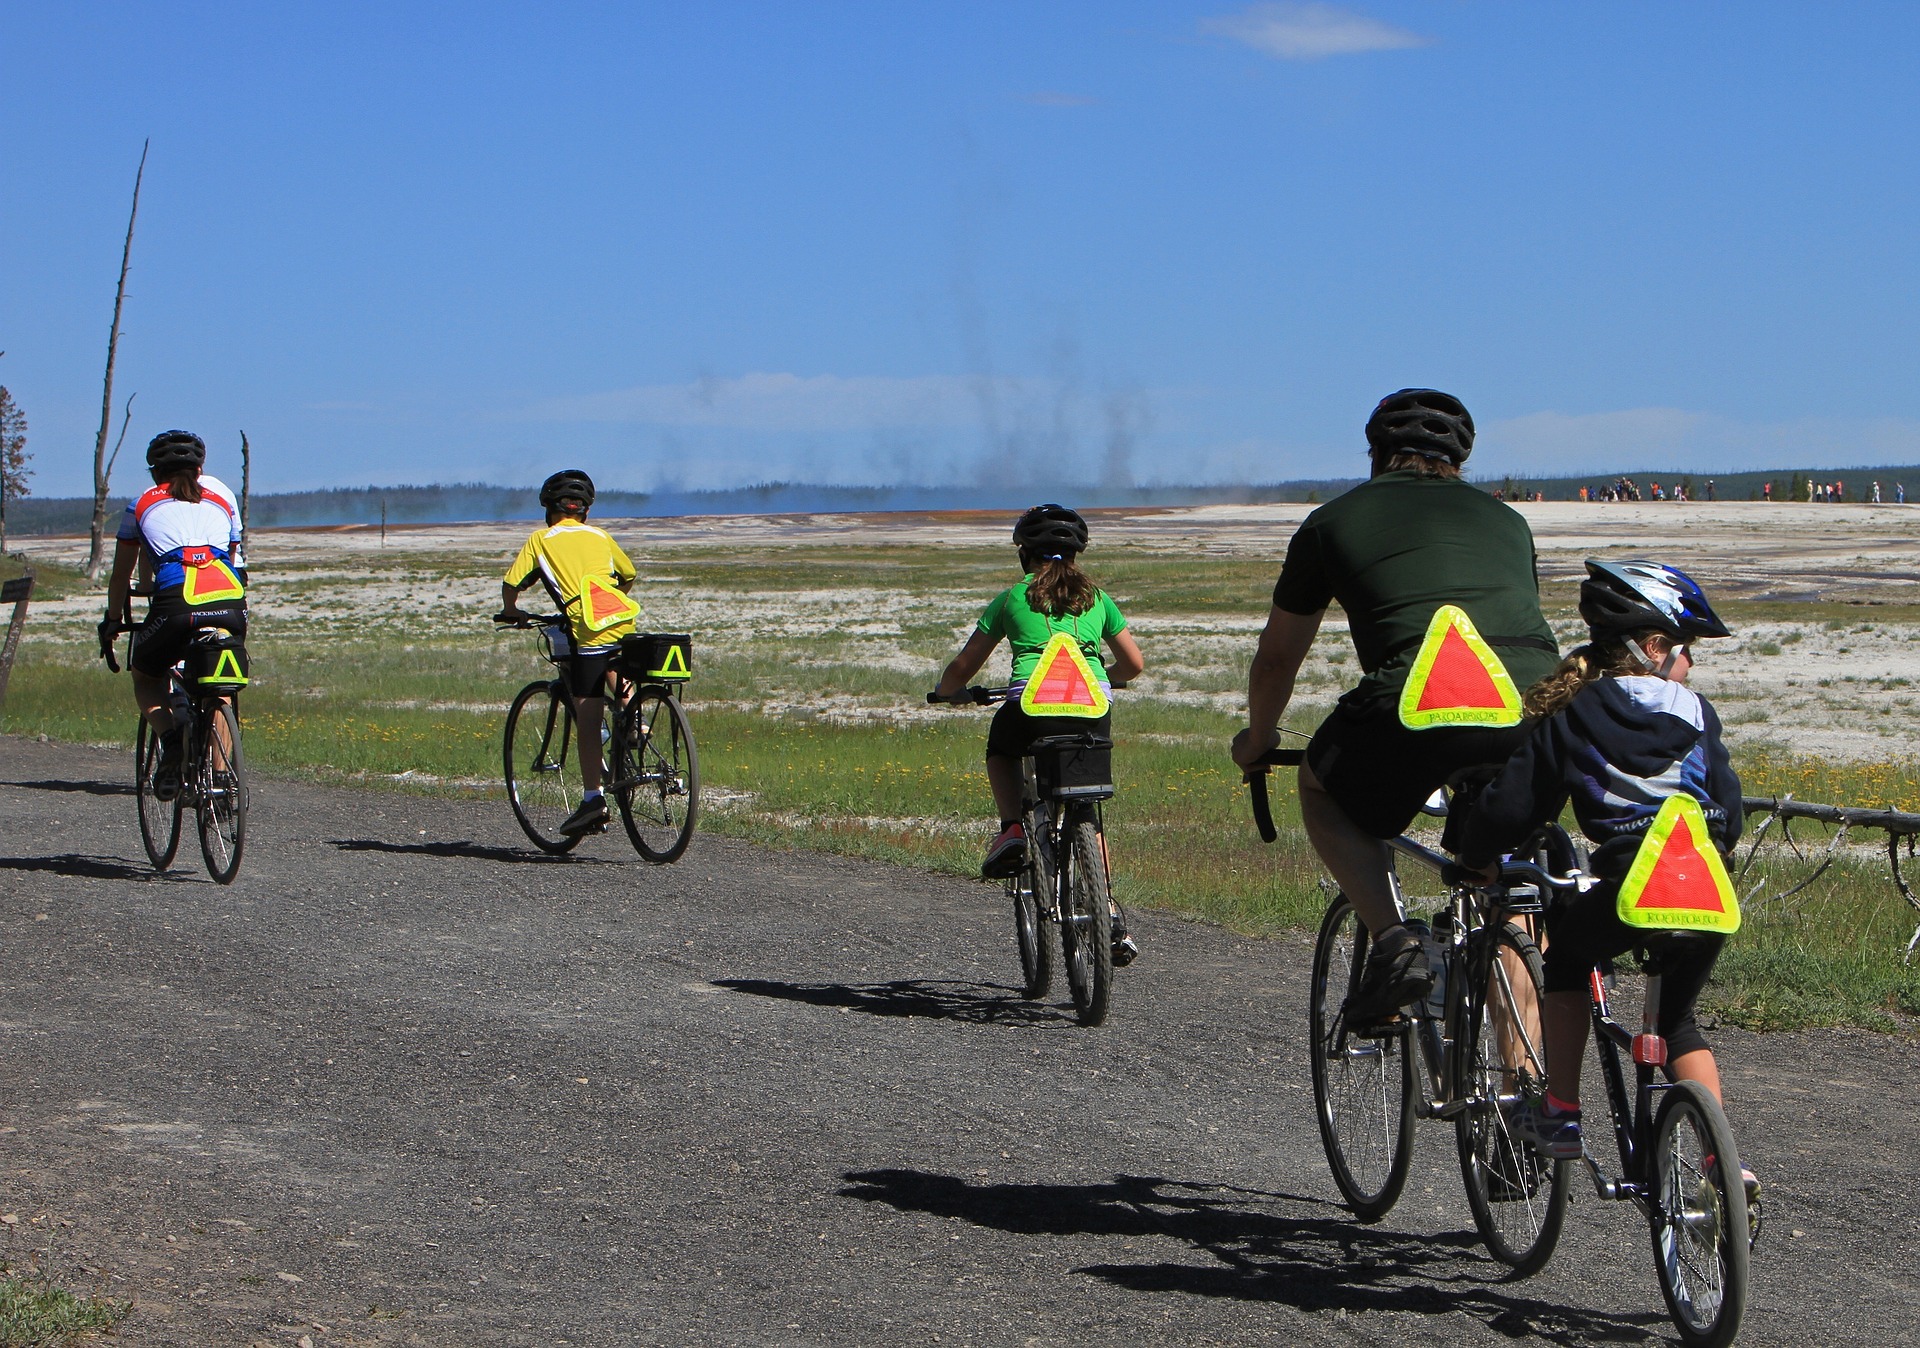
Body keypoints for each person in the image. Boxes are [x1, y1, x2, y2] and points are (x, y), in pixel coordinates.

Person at [1231, 389, 1560, 1025]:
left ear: (1377, 454)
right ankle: (1524, 1094)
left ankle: (1394, 941)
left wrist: (1259, 738)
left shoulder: (1332, 521)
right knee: (1508, 884)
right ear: (1460, 461)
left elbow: (1277, 659)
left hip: (1416, 697)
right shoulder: (1509, 522)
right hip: (1540, 709)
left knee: (1321, 787)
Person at [1453, 560, 1758, 1220]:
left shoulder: (1574, 710)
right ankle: (1725, 1167)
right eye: (1684, 651)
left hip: (1627, 891)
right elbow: (1729, 816)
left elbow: (1515, 808)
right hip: (1707, 897)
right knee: (1677, 1021)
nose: (1689, 666)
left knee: (1565, 958)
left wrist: (1477, 856)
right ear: (1652, 647)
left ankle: (1560, 1110)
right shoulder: (1698, 713)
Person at [931, 504, 1146, 960]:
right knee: (1085, 800)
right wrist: (1107, 673)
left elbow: (964, 665)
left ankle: (1012, 828)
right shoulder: (1097, 598)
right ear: (1076, 553)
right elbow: (1135, 664)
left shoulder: (1013, 598)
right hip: (1091, 709)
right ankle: (1105, 906)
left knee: (1001, 748)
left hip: (1030, 705)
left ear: (1024, 554)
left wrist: (949, 692)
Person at [101, 431, 247, 800]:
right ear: (200, 470)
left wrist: (114, 619)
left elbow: (121, 575)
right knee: (221, 687)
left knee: (146, 676)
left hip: (175, 603)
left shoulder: (140, 505)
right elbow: (230, 559)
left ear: (155, 473)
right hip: (229, 601)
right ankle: (218, 778)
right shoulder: (222, 502)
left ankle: (171, 742)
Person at [498, 470, 638, 837]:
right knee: (616, 666)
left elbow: (512, 584)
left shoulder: (542, 539)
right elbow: (629, 575)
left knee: (588, 711)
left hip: (585, 629)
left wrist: (512, 611)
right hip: (621, 620)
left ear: (549, 508)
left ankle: (593, 799)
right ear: (585, 512)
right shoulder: (602, 536)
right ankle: (634, 720)